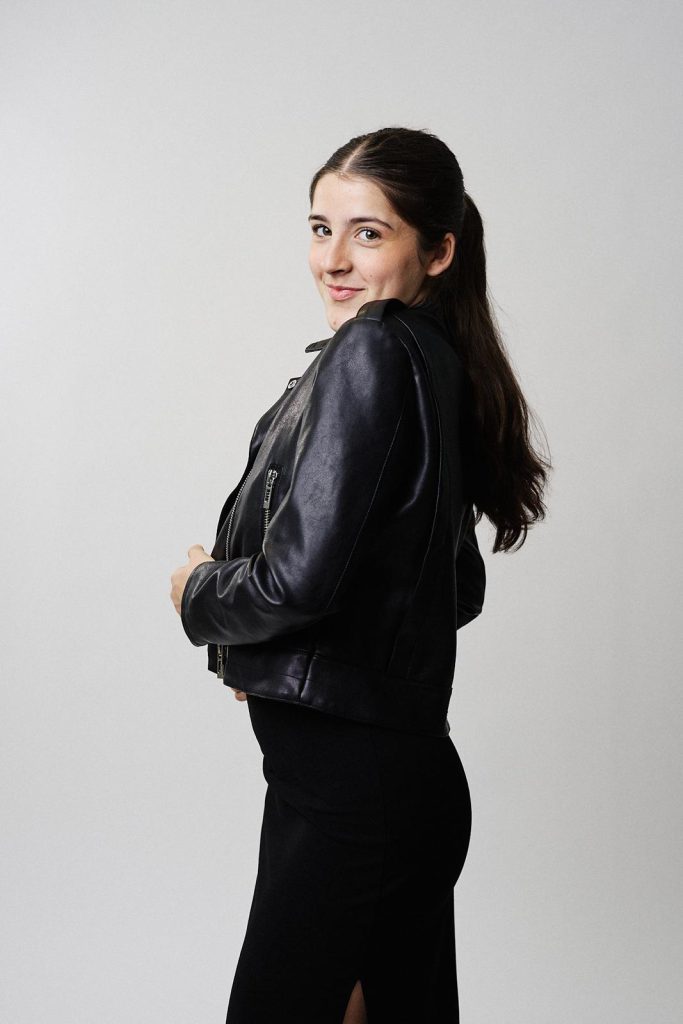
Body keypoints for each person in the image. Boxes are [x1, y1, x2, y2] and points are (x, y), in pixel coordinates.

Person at [170, 126, 550, 1023]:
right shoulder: (432, 361)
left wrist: (199, 596)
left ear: (438, 251)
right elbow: (448, 589)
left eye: (368, 233)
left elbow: (295, 584)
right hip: (383, 784)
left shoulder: (372, 352)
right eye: (320, 228)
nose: (332, 259)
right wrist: (276, 661)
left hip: (350, 796)